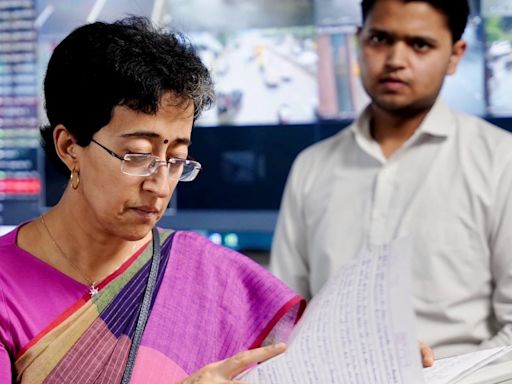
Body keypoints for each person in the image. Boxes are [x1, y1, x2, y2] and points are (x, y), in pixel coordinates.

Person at [0, 18, 306, 383]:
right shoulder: (7, 285)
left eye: (176, 160)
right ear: (69, 147)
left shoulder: (218, 279)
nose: (160, 185)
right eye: (138, 156)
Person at [271, 0, 512, 359]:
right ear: (359, 41)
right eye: (380, 39)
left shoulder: (501, 162)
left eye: (420, 45)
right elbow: (282, 321)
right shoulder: (311, 167)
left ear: (455, 56)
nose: (396, 59)